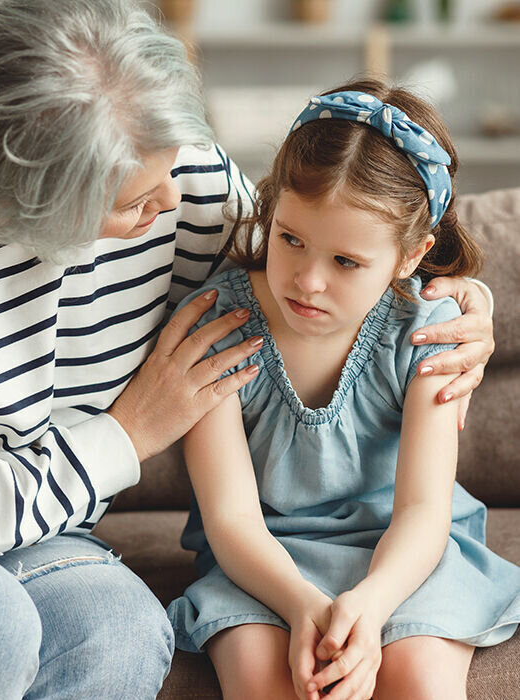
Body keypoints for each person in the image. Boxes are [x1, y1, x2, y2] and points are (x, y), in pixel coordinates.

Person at [0, 0, 494, 694]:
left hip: (41, 524)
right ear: (31, 223)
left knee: (120, 630)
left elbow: (335, 253)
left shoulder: (164, 164)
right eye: (136, 204)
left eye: (176, 170)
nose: (174, 202)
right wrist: (128, 433)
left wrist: (466, 297)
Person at [167, 78, 520, 700]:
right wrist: (305, 606)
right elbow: (231, 519)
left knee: (418, 681)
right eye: (290, 239)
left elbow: (422, 512)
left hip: (408, 553)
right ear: (271, 212)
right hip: (261, 558)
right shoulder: (216, 326)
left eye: (346, 262)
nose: (307, 281)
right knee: (260, 679)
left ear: (411, 256)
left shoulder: (428, 332)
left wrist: (372, 604)